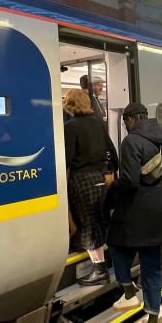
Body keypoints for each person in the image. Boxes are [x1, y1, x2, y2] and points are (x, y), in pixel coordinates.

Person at [106, 102, 162, 323]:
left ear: (130, 120)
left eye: (125, 122)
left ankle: (128, 291)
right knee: (151, 265)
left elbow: (129, 181)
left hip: (138, 212)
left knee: (115, 245)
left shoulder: (131, 142)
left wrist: (110, 191)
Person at [63, 88, 117, 285]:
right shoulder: (98, 123)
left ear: (70, 104)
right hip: (100, 177)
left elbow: (66, 160)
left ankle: (99, 271)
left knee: (87, 224)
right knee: (100, 218)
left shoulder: (71, 127)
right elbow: (112, 151)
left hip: (82, 180)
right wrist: (111, 171)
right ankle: (107, 262)